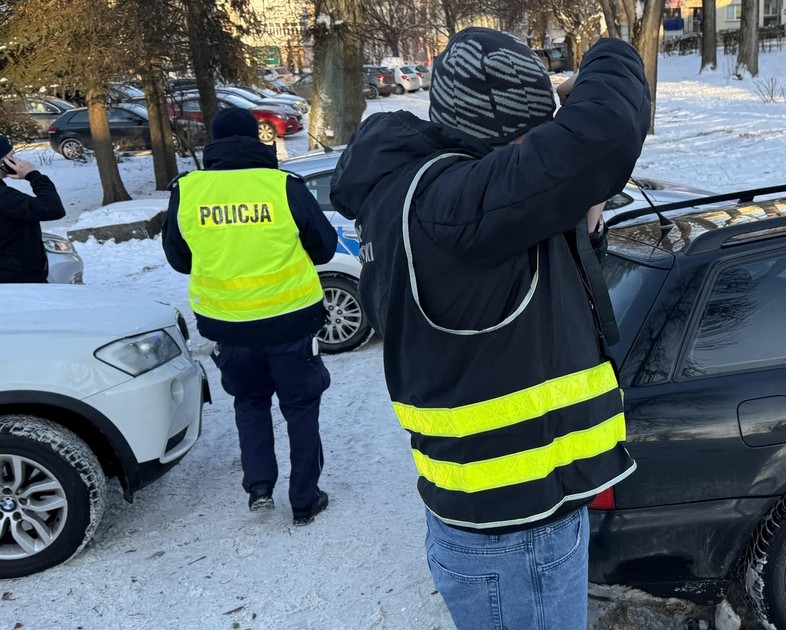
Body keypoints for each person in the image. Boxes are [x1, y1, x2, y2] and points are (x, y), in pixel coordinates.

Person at [330, 28, 650, 629]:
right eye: (534, 141)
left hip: (511, 517)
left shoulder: (419, 196)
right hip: (513, 539)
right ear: (495, 139)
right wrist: (610, 52)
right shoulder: (452, 205)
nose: (540, 159)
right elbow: (605, 134)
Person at [162, 108, 337, 526]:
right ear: (256, 139)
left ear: (214, 144)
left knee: (250, 402)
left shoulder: (188, 190)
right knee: (300, 406)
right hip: (291, 320)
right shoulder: (282, 186)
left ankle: (259, 487)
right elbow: (325, 247)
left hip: (228, 326)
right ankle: (304, 499)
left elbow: (179, 258)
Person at [0, 135, 65, 283]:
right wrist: (34, 176)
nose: (18, 160)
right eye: (12, 156)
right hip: (19, 281)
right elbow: (52, 208)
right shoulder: (4, 198)